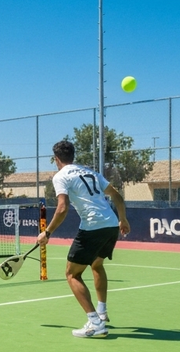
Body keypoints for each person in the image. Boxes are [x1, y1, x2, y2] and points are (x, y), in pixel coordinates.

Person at [36, 140, 130, 338]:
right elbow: (117, 196)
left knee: (72, 274)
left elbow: (62, 208)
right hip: (111, 224)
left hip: (93, 226)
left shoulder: (60, 176)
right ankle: (102, 312)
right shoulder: (90, 172)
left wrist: (48, 233)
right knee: (97, 265)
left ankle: (95, 323)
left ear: (56, 159)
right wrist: (123, 219)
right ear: (73, 156)